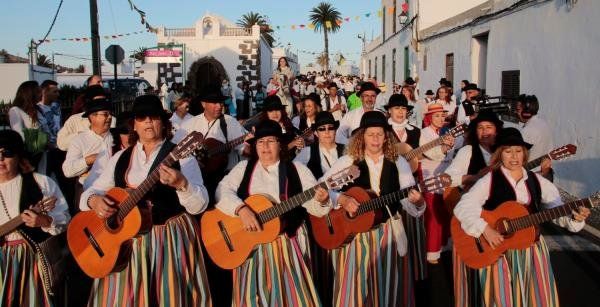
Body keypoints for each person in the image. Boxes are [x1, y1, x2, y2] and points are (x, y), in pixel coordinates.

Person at [80, 95, 211, 306]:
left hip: (167, 239)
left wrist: (182, 184)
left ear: (163, 122)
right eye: (142, 118)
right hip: (125, 243)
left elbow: (200, 204)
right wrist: (94, 200)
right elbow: (90, 190)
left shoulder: (182, 156)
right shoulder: (120, 157)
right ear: (134, 125)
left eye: (154, 117)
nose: (148, 122)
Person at [453, 127, 590, 307]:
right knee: (503, 300)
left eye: (518, 151)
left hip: (531, 251)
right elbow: (463, 206)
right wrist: (485, 229)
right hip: (499, 250)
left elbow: (556, 210)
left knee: (536, 298)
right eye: (508, 152)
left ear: (524, 154)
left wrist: (575, 218)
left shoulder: (537, 181)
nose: (514, 157)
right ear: (499, 155)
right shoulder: (489, 180)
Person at [215, 119, 331, 306]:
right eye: (260, 142)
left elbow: (315, 209)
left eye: (271, 140)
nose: (265, 146)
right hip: (250, 247)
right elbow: (221, 191)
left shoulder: (297, 170)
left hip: (287, 247)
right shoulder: (243, 168)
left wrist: (322, 200)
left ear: (280, 144)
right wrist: (241, 209)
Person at [323, 111, 425, 306]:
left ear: (386, 137)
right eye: (371, 134)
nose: (375, 139)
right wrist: (342, 199)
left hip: (388, 232)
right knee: (356, 289)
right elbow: (322, 187)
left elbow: (410, 205)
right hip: (355, 235)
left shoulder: (399, 162)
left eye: (380, 134)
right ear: (362, 136)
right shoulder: (348, 161)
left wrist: (418, 202)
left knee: (389, 287)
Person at [0, 129, 70, 307]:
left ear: (18, 156)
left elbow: (64, 218)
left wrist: (45, 221)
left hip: (31, 257)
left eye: (6, 153)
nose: (0, 159)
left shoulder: (41, 182)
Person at [419, 103, 455, 264]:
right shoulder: (424, 134)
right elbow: (431, 153)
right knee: (432, 215)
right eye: (437, 116)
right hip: (430, 176)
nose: (441, 119)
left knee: (445, 212)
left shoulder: (446, 132)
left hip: (445, 177)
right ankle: (432, 251)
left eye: (442, 115)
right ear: (429, 118)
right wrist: (445, 148)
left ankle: (444, 246)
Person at [63, 97, 113, 208]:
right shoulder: (80, 140)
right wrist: (88, 160)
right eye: (105, 114)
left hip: (113, 192)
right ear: (92, 116)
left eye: (110, 114)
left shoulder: (116, 136)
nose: (109, 117)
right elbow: (67, 170)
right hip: (87, 192)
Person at [445, 111, 504, 189]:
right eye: (480, 127)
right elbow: (447, 178)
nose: (484, 131)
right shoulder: (467, 151)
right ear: (476, 132)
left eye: (489, 127)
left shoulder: (504, 151)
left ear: (496, 131)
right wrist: (474, 177)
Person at [57, 85, 113, 151]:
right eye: (97, 102)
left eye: (103, 101)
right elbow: (61, 143)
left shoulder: (111, 119)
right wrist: (82, 136)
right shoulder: (75, 120)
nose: (100, 105)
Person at [8, 81, 47, 170]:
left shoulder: (38, 109)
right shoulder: (15, 110)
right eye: (38, 91)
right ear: (30, 93)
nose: (41, 94)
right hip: (31, 155)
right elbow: (19, 134)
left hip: (43, 152)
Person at [515, 94, 554, 163]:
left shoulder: (528, 130)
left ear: (526, 112)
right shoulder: (543, 123)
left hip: (532, 172)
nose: (516, 112)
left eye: (518, 110)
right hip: (545, 171)